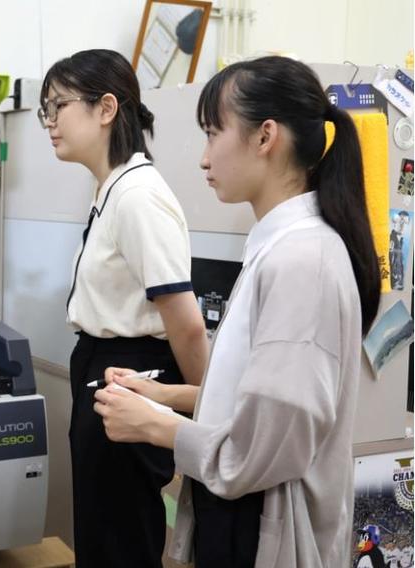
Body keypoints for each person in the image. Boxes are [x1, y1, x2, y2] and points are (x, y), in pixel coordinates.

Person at [93, 55, 381, 567]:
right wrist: (166, 395)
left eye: (212, 134)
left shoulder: (302, 261)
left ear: (265, 136)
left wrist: (155, 425)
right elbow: (262, 403)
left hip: (262, 532)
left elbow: (258, 452)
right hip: (239, 517)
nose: (204, 159)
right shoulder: (279, 247)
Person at [38, 49, 209, 567]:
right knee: (100, 530)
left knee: (120, 540)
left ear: (106, 107)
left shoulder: (138, 195)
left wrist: (207, 406)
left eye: (58, 106)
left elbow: (185, 323)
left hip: (133, 369)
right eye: (45, 109)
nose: (49, 121)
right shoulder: (111, 189)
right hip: (102, 365)